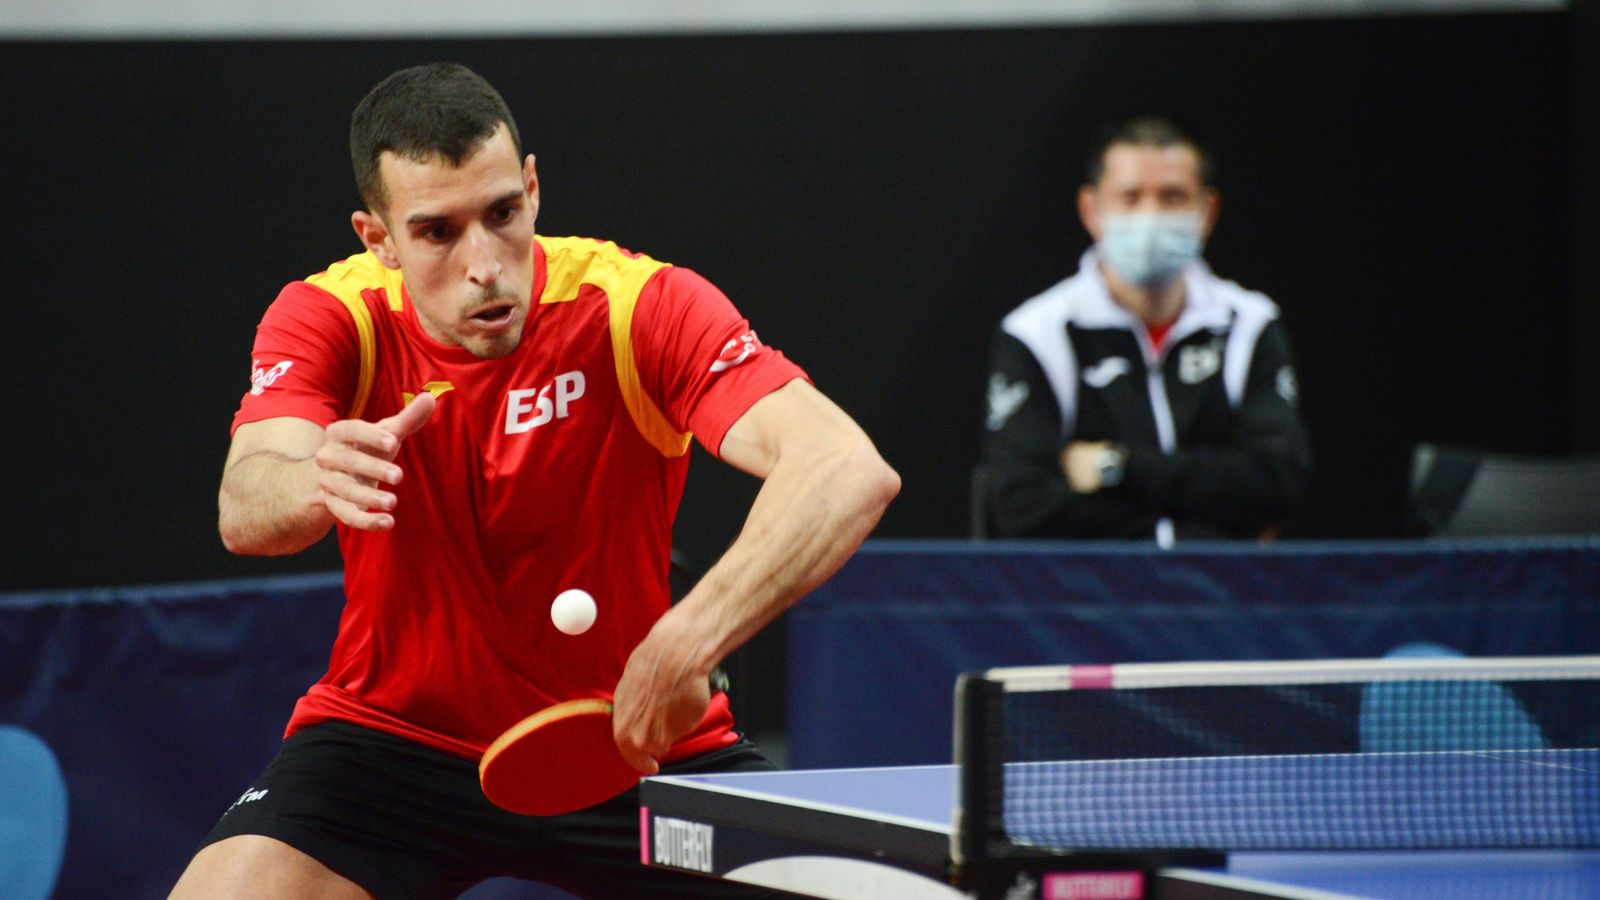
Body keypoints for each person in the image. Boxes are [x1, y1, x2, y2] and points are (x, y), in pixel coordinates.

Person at [171, 62, 899, 899]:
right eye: (438, 232)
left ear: (532, 186)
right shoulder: (334, 316)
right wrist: (311, 479)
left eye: (502, 214)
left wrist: (690, 636)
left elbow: (845, 468)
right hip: (394, 744)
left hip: (634, 739)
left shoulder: (635, 306)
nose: (484, 264)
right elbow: (246, 500)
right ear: (379, 238)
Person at [980, 116, 1310, 545]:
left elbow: (1278, 479)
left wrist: (1117, 466)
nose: (1150, 217)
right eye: (1130, 198)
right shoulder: (1037, 333)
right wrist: (1190, 529)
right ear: (1091, 210)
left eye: (1173, 198)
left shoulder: (1249, 322)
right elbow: (1020, 504)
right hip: (1089, 600)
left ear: (1206, 211)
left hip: (1227, 597)